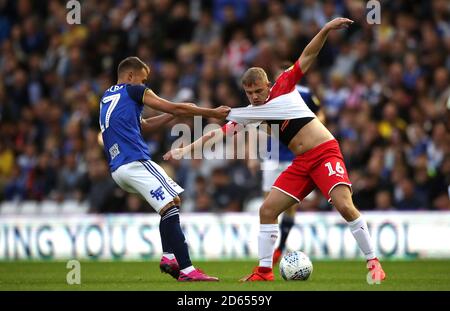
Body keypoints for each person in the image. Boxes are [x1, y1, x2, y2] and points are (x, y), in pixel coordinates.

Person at [164, 18, 386, 282]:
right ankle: (264, 271)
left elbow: (308, 55)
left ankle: (373, 261)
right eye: (249, 93)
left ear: (268, 85)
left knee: (345, 206)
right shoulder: (251, 114)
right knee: (267, 210)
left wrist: (325, 29)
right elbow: (217, 133)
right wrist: (185, 148)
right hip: (302, 161)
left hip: (324, 152)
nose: (255, 97)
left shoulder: (284, 86)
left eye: (258, 91)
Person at [99, 56, 230, 281]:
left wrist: (173, 114)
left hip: (119, 168)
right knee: (169, 208)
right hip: (134, 161)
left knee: (174, 201)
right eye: (143, 79)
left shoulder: (108, 96)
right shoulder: (133, 90)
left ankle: (169, 256)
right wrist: (212, 113)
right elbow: (173, 105)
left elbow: (146, 126)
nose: (145, 84)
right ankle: (187, 270)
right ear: (131, 76)